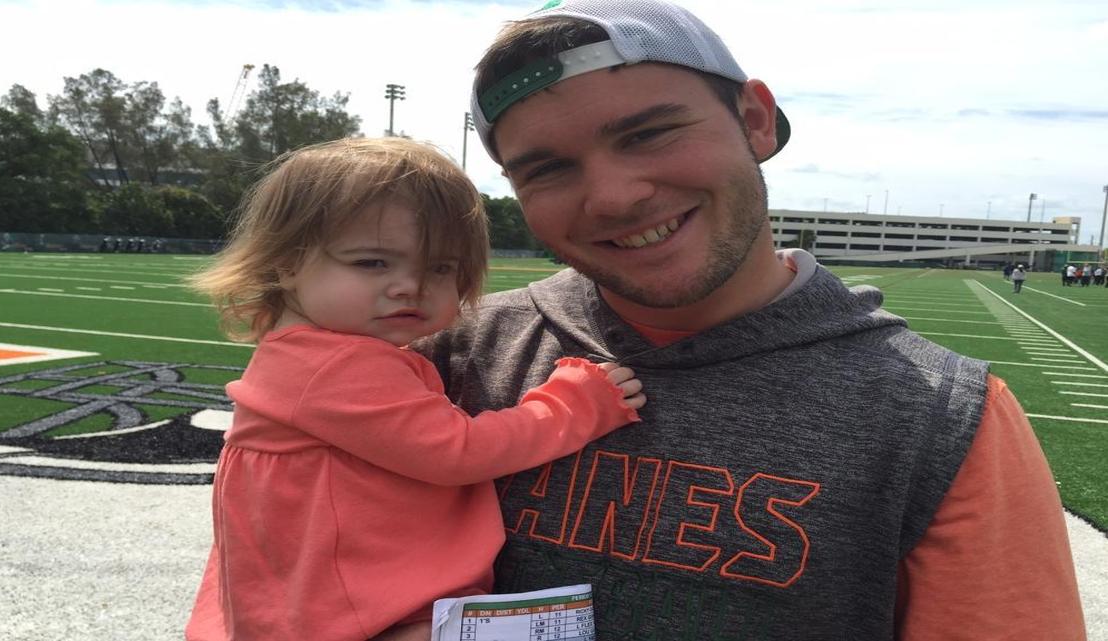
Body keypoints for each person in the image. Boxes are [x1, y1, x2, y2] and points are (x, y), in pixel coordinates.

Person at [419, 1, 1086, 639]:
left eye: (648, 133)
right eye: (548, 170)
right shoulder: (448, 355)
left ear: (756, 119)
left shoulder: (943, 420)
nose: (615, 196)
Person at [183, 137, 646, 641]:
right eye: (372, 263)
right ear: (286, 263)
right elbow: (458, 450)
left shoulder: (304, 353)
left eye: (440, 268)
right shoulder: (337, 365)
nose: (410, 285)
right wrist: (575, 405)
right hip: (362, 613)